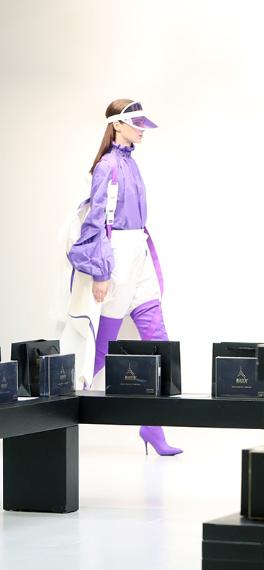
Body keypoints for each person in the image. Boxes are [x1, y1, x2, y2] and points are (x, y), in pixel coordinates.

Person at [66, 99, 182, 456]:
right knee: (100, 350)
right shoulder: (106, 167)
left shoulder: (131, 163)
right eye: (136, 123)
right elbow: (96, 223)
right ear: (117, 124)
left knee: (159, 343)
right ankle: (54, 415)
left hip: (139, 255)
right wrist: (101, 272)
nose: (142, 129)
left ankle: (153, 427)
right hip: (116, 259)